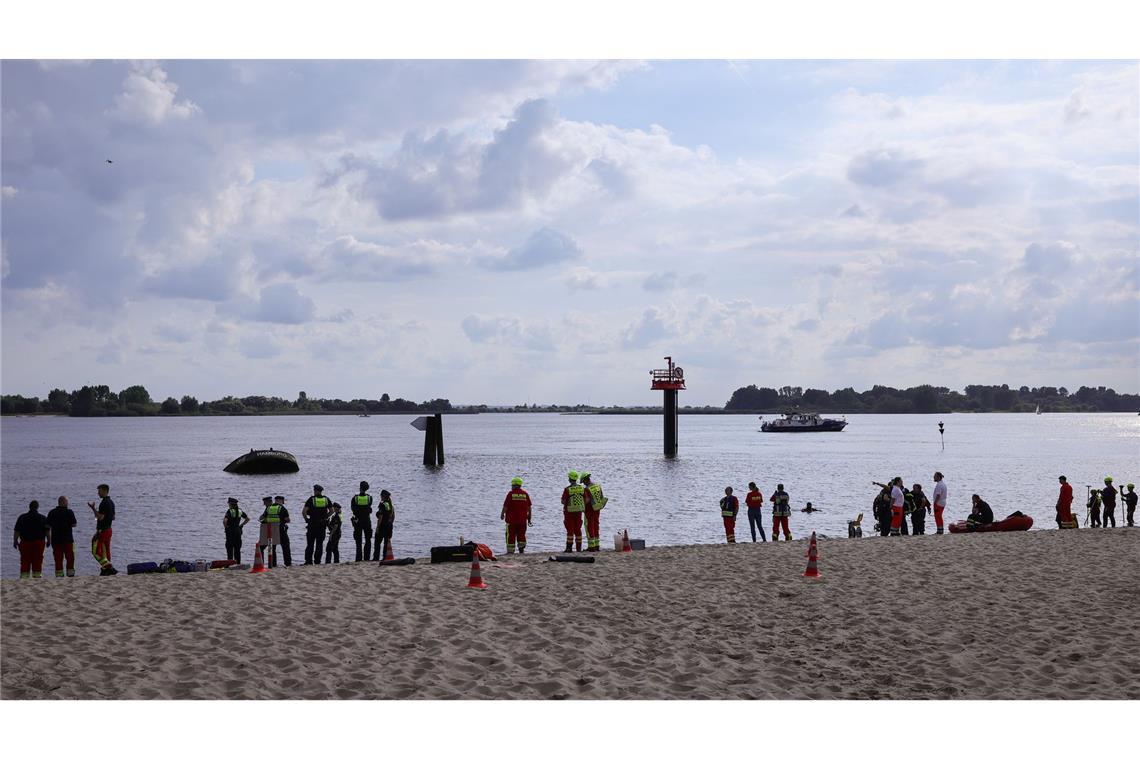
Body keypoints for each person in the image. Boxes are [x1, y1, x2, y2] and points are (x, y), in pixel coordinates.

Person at [13, 500, 49, 579]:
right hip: (39, 542)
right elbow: (47, 531)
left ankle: (24, 577)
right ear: (37, 507)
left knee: (25, 560)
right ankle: (37, 576)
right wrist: (49, 540)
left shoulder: (22, 517)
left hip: (25, 542)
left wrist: (15, 541)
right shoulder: (43, 518)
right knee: (38, 559)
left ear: (29, 507)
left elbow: (17, 531)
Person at [86, 483, 117, 574]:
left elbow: (100, 517)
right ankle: (106, 569)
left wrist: (93, 509)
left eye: (99, 491)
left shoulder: (104, 503)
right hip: (109, 530)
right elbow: (113, 517)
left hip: (102, 531)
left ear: (104, 491)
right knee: (106, 550)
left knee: (95, 551)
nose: (98, 493)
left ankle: (108, 567)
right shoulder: (111, 502)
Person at [45, 496, 78, 577]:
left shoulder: (52, 512)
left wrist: (48, 539)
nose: (68, 503)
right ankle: (70, 575)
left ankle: (59, 575)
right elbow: (74, 524)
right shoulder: (69, 512)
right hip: (68, 539)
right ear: (63, 502)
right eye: (67, 501)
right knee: (70, 558)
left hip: (56, 540)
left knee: (58, 559)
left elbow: (47, 526)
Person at [560, 471, 591, 552]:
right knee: (578, 530)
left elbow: (563, 501)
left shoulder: (567, 489)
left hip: (569, 512)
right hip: (579, 512)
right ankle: (578, 549)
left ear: (570, 479)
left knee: (570, 530)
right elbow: (587, 500)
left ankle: (569, 548)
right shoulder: (582, 488)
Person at [501, 477, 533, 554]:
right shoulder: (525, 494)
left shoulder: (510, 494)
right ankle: (521, 551)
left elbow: (505, 506)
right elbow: (529, 508)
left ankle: (510, 552)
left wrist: (502, 514)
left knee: (510, 536)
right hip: (522, 520)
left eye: (512, 485)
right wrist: (529, 519)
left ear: (514, 485)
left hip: (511, 520)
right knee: (521, 535)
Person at [303, 485, 332, 565]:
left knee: (310, 544)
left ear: (316, 491)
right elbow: (331, 510)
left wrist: (306, 520)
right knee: (319, 544)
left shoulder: (311, 499)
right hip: (322, 524)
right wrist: (326, 517)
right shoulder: (326, 499)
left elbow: (304, 511)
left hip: (312, 524)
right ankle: (317, 561)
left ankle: (308, 561)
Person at [581, 473, 607, 552]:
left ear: (586, 480)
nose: (584, 484)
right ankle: (597, 545)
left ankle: (591, 547)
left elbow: (587, 500)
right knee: (596, 526)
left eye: (583, 482)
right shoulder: (597, 486)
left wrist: (582, 505)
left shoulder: (587, 489)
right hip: (597, 509)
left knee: (589, 527)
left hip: (589, 510)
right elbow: (601, 497)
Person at [350, 481, 373, 562]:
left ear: (360, 488)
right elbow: (369, 507)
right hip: (367, 520)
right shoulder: (369, 498)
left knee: (358, 541)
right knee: (368, 540)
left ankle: (358, 558)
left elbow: (353, 509)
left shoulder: (355, 498)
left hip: (358, 521)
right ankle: (367, 558)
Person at [372, 490, 396, 560]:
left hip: (382, 525)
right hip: (389, 525)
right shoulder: (390, 505)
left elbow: (380, 517)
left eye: (381, 495)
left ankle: (376, 558)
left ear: (383, 496)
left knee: (377, 542)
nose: (380, 497)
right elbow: (393, 516)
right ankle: (385, 557)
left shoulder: (382, 504)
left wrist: (377, 527)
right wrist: (390, 523)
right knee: (386, 542)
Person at [274, 495, 292, 566]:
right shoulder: (282, 508)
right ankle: (288, 563)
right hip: (281, 529)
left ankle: (273, 563)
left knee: (272, 547)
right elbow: (288, 520)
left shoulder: (269, 508)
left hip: (271, 530)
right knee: (285, 546)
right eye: (283, 501)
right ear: (281, 500)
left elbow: (262, 517)